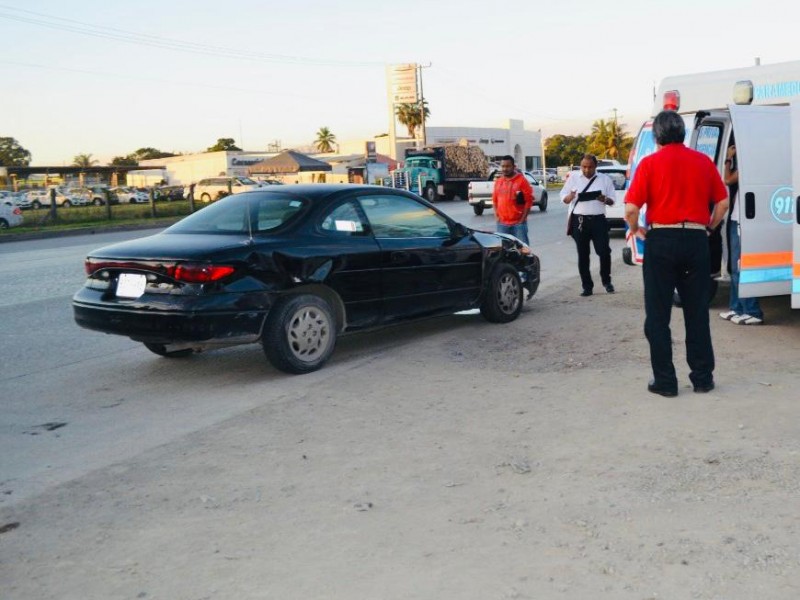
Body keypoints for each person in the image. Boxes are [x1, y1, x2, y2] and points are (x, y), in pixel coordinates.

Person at [625, 110, 729, 397]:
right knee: (697, 313)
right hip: (696, 240)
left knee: (657, 316)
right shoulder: (703, 162)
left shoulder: (650, 164)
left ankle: (666, 382)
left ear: (657, 135)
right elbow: (722, 202)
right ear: (683, 133)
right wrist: (708, 228)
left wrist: (637, 230)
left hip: (662, 239)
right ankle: (702, 378)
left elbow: (632, 209)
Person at [719, 143, 764, 325]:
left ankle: (752, 310)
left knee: (741, 266)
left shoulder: (751, 166)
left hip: (744, 222)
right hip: (736, 219)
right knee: (734, 265)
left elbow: (727, 179)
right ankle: (736, 308)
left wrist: (728, 159)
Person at [560, 154, 617, 296]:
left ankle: (606, 281)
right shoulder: (573, 178)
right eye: (584, 167)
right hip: (579, 221)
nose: (586, 170)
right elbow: (564, 198)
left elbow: (613, 200)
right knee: (583, 254)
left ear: (595, 166)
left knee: (604, 251)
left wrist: (604, 199)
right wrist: (571, 196)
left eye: (590, 167)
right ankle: (587, 286)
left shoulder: (604, 179)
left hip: (598, 220)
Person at [493, 155, 533, 245]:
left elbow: (528, 201)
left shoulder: (522, 181)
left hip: (518, 225)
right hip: (502, 225)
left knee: (523, 251)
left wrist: (522, 220)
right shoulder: (498, 182)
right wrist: (497, 217)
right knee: (504, 251)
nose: (505, 169)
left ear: (513, 167)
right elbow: (495, 201)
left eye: (507, 166)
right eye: (503, 166)